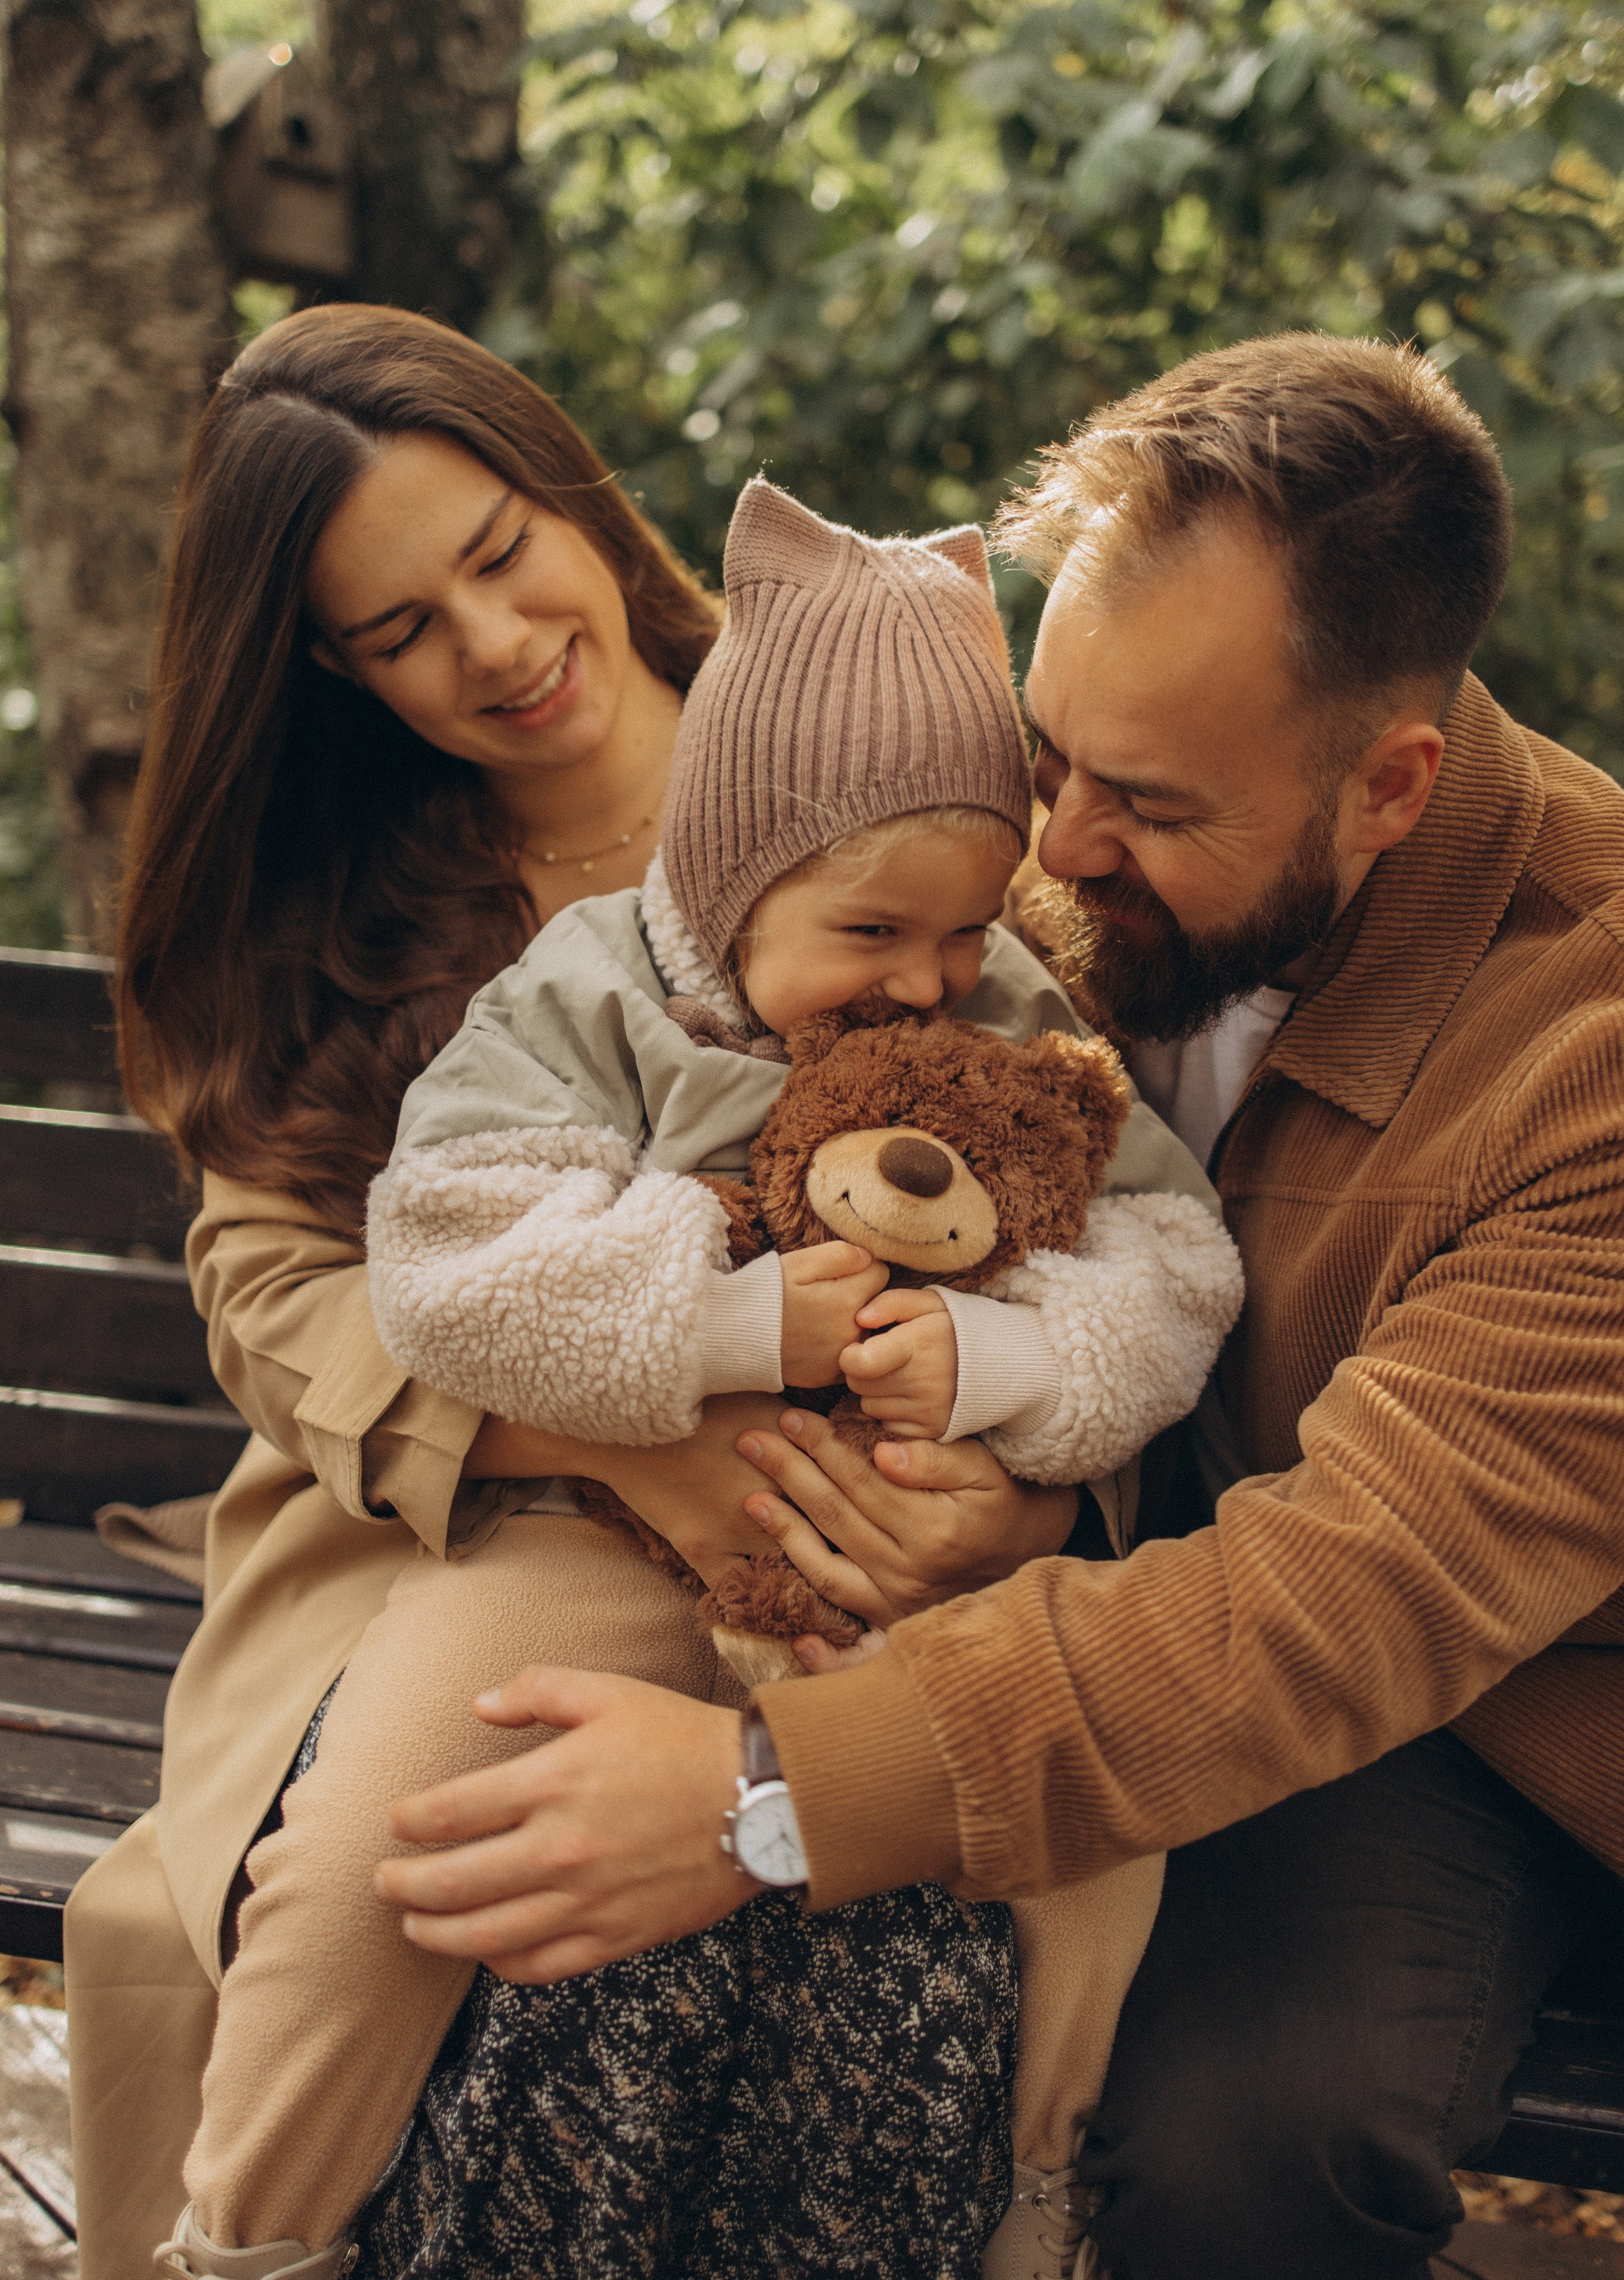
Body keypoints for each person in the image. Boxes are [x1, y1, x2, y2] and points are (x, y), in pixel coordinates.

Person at [371, 333, 1624, 2280]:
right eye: (1047, 757)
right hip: (1130, 1628)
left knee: (1233, 2147)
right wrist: (1021, 1484)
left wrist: (767, 1803)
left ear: (1391, 788)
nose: (1051, 855)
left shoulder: (1593, 1054)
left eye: (1137, 799)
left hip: (1519, 1713)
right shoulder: (1031, 906)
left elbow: (1347, 1598)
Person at [67, 303, 1162, 2280]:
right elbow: (270, 1279)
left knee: (942, 1874)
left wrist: (1017, 1486)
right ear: (320, 664)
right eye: (397, 630)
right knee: (422, 1869)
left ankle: (1033, 2221)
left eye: (495, 554)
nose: (486, 644)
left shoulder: (879, 748)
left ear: (568, 495)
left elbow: (1100, 1202)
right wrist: (612, 1431)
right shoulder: (342, 902)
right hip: (478, 1525)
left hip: (906, 1521)